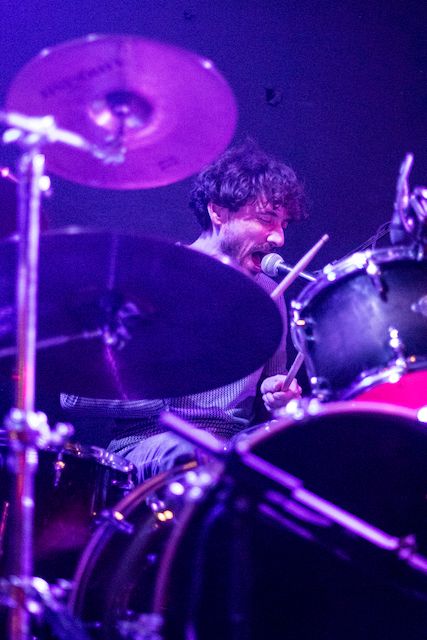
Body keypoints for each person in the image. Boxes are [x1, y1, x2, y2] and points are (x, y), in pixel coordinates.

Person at [62, 139, 307, 481]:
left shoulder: (269, 293)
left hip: (233, 446)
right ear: (218, 212)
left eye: (283, 225)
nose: (279, 238)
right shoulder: (151, 279)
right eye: (267, 219)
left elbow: (271, 389)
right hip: (150, 442)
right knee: (194, 453)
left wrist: (277, 397)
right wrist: (167, 388)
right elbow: (74, 396)